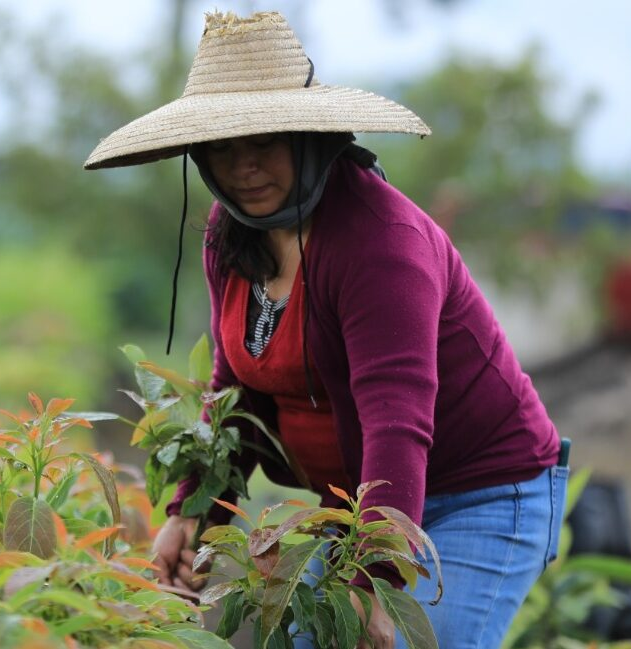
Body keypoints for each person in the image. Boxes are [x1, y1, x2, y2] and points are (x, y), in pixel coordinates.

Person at [85, 11, 567, 649]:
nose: (244, 167)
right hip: (362, 500)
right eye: (223, 148)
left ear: (308, 137)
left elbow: (396, 424)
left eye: (264, 142)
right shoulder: (232, 234)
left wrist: (377, 583)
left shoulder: (380, 244)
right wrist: (191, 516)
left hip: (480, 491)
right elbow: (235, 393)